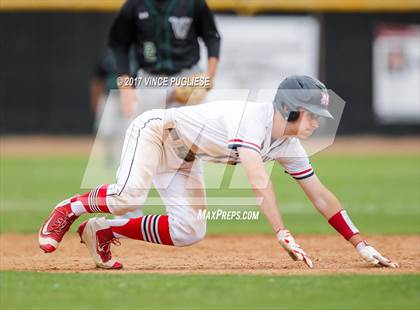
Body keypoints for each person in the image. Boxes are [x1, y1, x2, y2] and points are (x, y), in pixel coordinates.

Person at [38, 75, 399, 270]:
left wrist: (360, 244)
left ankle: (103, 229)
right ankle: (69, 208)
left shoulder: (288, 144)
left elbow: (320, 195)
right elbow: (258, 181)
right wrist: (282, 231)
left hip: (184, 157)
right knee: (128, 196)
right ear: (288, 109)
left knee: (190, 230)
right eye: (310, 113)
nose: (317, 122)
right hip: (155, 132)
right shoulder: (252, 119)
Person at [108, 0, 221, 118]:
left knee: (191, 134)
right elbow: (119, 43)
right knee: (148, 133)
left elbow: (212, 36)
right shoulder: (135, 4)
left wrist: (210, 74)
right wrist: (125, 87)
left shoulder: (193, 2)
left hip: (187, 76)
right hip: (150, 80)